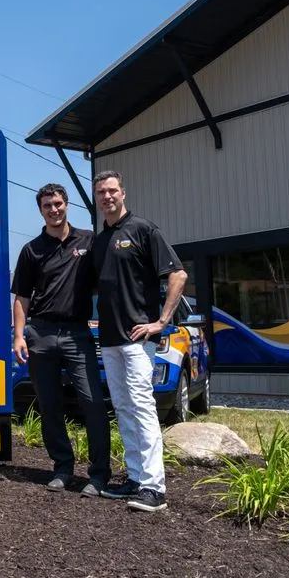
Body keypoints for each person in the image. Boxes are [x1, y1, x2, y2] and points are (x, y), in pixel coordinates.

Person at [91, 171, 187, 512]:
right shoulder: (100, 241)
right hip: (109, 339)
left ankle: (154, 488)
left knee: (142, 407)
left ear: (123, 193)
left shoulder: (143, 229)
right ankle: (134, 478)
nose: (107, 196)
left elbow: (178, 274)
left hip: (137, 340)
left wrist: (161, 321)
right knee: (123, 408)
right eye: (101, 192)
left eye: (112, 190)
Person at [11, 183, 111, 497]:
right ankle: (62, 468)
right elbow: (22, 297)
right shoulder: (31, 250)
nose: (53, 210)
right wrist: (19, 336)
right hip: (40, 334)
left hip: (78, 334)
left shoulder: (88, 240)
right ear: (40, 211)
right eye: (47, 206)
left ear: (66, 204)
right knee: (50, 405)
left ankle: (99, 475)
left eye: (57, 204)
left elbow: (104, 281)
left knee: (93, 403)